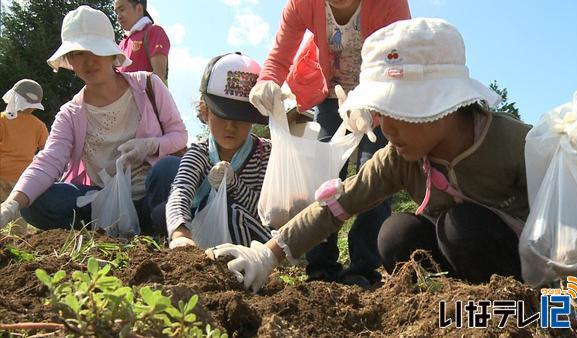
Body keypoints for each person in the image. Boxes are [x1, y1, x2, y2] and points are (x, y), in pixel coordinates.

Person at [206, 18, 557, 293]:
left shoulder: (511, 141)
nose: (386, 127)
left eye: (398, 110)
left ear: (446, 105)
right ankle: (449, 305)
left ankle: (510, 309)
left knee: (461, 227)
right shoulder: (399, 157)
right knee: (396, 234)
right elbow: (337, 204)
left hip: (524, 265)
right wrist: (268, 254)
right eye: (381, 111)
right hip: (460, 259)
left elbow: (569, 206)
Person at [249, 0, 411, 289]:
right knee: (322, 178)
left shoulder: (390, 4)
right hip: (330, 98)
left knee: (373, 174)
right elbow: (279, 56)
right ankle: (321, 266)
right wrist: (267, 82)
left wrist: (372, 111)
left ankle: (363, 267)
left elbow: (401, 65)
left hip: (380, 97)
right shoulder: (302, 5)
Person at [0, 6, 187, 233]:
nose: (89, 61)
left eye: (96, 50)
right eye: (79, 53)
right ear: (69, 59)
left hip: (151, 195)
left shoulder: (148, 85)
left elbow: (179, 135)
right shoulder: (70, 113)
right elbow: (48, 160)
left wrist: (151, 145)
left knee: (170, 167)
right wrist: (12, 204)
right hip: (103, 201)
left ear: (111, 53)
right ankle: (106, 229)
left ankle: (157, 227)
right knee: (36, 203)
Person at [163, 52, 272, 249]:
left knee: (232, 211)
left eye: (240, 117)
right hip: (206, 241)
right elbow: (181, 191)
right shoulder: (200, 154)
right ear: (205, 112)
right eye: (222, 115)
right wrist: (180, 232)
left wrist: (234, 185)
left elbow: (267, 212)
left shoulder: (263, 154)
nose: (231, 126)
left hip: (256, 245)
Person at [0, 79, 48, 235]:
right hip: (23, 181)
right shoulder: (39, 126)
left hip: (1, 175)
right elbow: (47, 151)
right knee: (19, 219)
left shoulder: (2, 120)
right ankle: (17, 246)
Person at [114, 0, 170, 84]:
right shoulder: (122, 43)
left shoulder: (153, 31)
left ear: (139, 8)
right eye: (116, 13)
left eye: (122, 10)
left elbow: (159, 78)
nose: (118, 16)